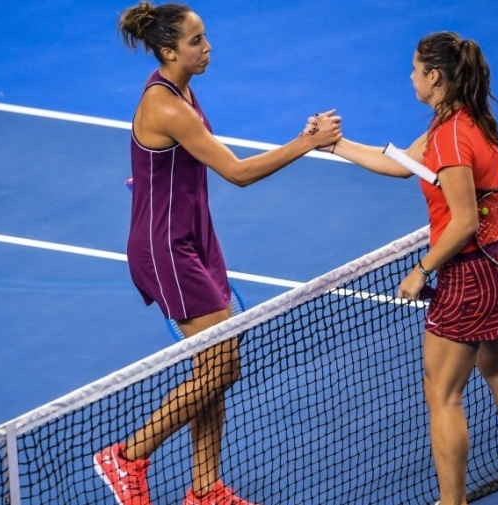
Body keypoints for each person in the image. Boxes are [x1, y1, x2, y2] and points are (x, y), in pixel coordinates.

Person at [93, 3, 341, 505]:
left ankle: (204, 490)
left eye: (205, 38)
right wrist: (307, 142)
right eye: (196, 41)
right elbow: (238, 173)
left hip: (197, 239)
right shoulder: (166, 105)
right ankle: (126, 458)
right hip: (167, 249)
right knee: (221, 368)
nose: (207, 48)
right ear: (169, 51)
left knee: (214, 367)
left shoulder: (180, 86)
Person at [308, 32, 498, 505]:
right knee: (495, 363)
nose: (410, 76)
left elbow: (463, 222)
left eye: (415, 69)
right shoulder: (467, 117)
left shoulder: (448, 137)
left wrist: (421, 269)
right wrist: (335, 145)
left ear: (435, 77)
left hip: (473, 270)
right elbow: (405, 164)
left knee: (442, 392)